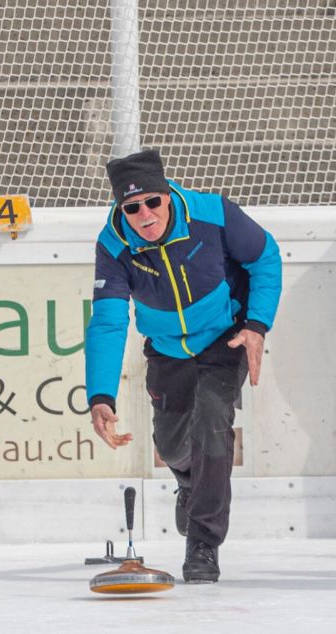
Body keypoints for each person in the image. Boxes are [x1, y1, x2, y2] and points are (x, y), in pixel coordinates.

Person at [84, 149, 281, 584]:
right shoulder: (113, 245)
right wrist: (100, 396)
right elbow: (109, 321)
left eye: (152, 201)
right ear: (120, 209)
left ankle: (203, 543)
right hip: (167, 347)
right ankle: (190, 484)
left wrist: (257, 325)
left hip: (225, 335)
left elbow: (265, 257)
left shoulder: (214, 214)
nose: (145, 215)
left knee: (212, 421)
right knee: (172, 447)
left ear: (168, 195)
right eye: (132, 208)